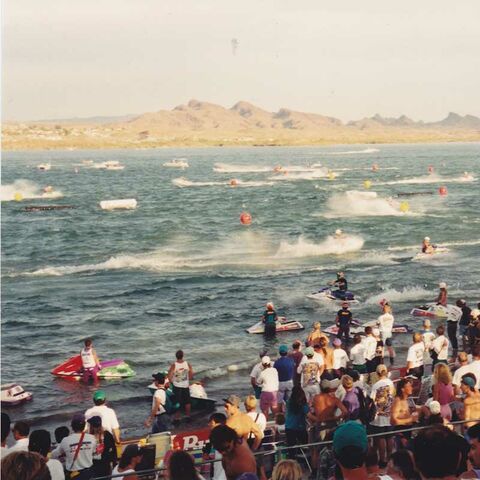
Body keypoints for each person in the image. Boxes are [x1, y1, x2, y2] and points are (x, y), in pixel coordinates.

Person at [51, 413, 96, 480]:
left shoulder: (65, 440)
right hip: (89, 473)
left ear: (72, 426)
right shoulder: (92, 438)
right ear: (84, 426)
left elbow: (55, 454)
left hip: (73, 475)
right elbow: (94, 451)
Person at [369, 364, 395, 468]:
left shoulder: (376, 385)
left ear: (377, 373)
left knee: (381, 437)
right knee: (389, 436)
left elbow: (372, 399)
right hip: (389, 413)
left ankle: (382, 459)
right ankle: (389, 458)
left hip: (379, 415)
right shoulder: (391, 383)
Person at [167, 349, 193, 424]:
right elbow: (191, 375)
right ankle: (188, 416)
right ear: (183, 356)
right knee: (187, 401)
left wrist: (172, 381)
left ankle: (177, 418)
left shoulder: (174, 365)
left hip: (177, 386)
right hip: (185, 386)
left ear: (176, 356)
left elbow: (169, 376)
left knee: (177, 402)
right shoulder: (187, 364)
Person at [284, 386, 309, 460]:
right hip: (300, 427)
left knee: (291, 448)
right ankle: (304, 460)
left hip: (289, 427)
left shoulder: (289, 402)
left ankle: (292, 462)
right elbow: (308, 414)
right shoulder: (303, 405)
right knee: (305, 445)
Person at [205, 413, 227, 480]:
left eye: (210, 422)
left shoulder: (214, 438)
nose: (208, 425)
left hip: (218, 476)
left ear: (213, 422)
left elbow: (207, 456)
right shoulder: (229, 435)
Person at [273, 345, 295, 411]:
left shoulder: (276, 363)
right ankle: (289, 411)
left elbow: (275, 372)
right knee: (289, 399)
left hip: (280, 382)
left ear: (279, 353)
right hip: (289, 382)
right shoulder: (291, 361)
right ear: (287, 352)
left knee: (279, 401)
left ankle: (280, 413)